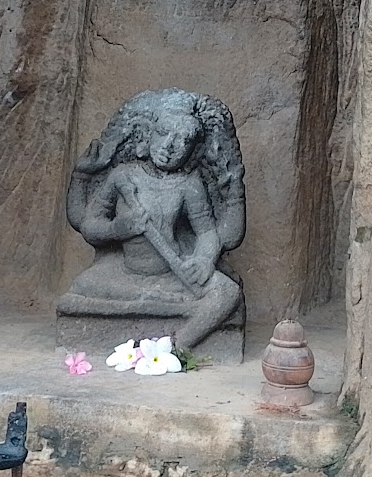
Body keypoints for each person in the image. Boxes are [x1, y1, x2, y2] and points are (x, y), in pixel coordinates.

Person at [59, 90, 244, 351]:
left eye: (182, 141)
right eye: (163, 133)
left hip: (171, 273)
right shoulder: (123, 176)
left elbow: (206, 232)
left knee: (228, 292)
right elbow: (89, 225)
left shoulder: (188, 185)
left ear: (192, 150)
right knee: (80, 288)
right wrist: (117, 228)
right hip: (126, 273)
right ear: (146, 137)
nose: (169, 146)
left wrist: (203, 259)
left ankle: (178, 346)